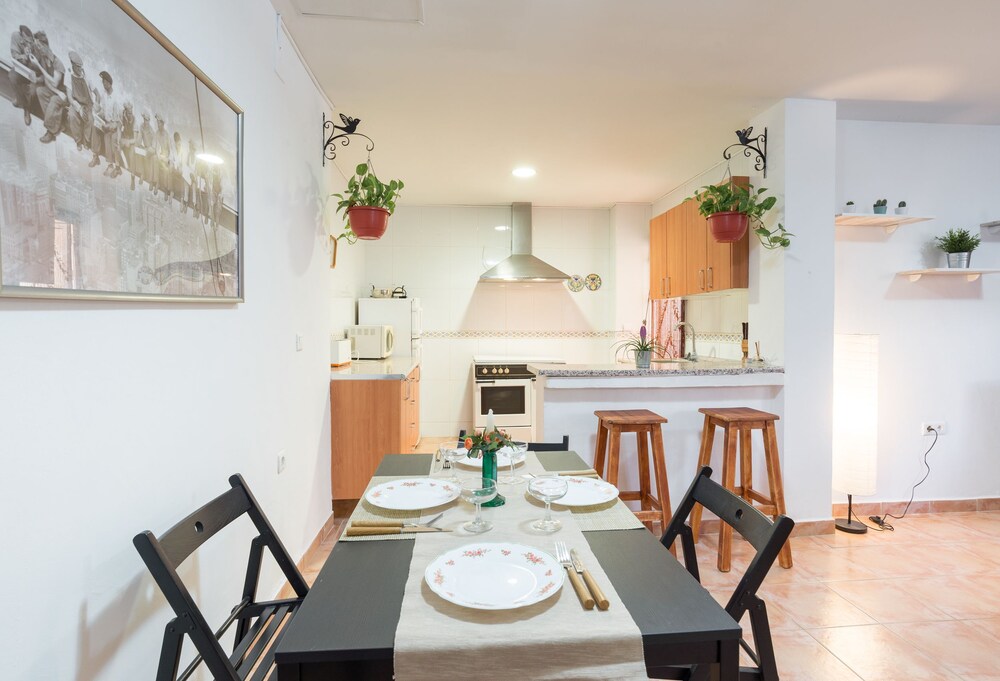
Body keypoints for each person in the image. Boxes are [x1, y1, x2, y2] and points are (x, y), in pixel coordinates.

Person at [28, 32, 67, 144]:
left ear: (45, 46)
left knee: (54, 100)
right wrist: (36, 79)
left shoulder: (58, 64)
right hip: (53, 90)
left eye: (39, 46)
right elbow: (45, 77)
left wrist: (38, 65)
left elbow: (54, 83)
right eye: (36, 46)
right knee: (40, 91)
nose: (38, 49)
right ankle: (57, 125)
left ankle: (51, 132)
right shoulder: (44, 59)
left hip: (61, 94)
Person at [90, 70, 122, 177]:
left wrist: (108, 126)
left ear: (109, 83)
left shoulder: (116, 98)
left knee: (108, 136)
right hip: (106, 122)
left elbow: (117, 122)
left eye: (104, 82)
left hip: (114, 126)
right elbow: (104, 111)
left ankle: (111, 165)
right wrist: (97, 115)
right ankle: (95, 156)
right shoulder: (104, 95)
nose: (103, 84)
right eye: (102, 82)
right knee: (95, 127)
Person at [66, 51, 94, 151]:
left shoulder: (85, 76)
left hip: (87, 104)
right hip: (75, 103)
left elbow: (94, 91)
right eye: (78, 67)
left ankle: (86, 141)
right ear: (73, 65)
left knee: (90, 119)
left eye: (80, 67)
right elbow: (70, 97)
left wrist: (96, 103)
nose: (80, 69)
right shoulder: (69, 76)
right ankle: (78, 141)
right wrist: (79, 108)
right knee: (72, 115)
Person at [8, 25, 34, 127]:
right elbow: (14, 55)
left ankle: (26, 107)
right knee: (12, 76)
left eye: (29, 41)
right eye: (26, 41)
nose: (28, 43)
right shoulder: (15, 36)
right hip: (21, 67)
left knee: (33, 87)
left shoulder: (34, 43)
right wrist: (24, 56)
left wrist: (31, 56)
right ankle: (24, 105)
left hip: (33, 70)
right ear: (21, 35)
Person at [153, 114, 170, 198]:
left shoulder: (167, 135)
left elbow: (170, 149)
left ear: (162, 124)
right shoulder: (157, 133)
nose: (158, 125)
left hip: (166, 156)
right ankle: (157, 183)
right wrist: (158, 154)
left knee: (165, 169)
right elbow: (156, 146)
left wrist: (166, 158)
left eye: (159, 123)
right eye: (157, 123)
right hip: (159, 155)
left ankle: (166, 189)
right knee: (155, 160)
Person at [119, 101, 136, 182]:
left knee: (132, 153)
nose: (130, 114)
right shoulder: (123, 116)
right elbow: (120, 129)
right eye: (129, 113)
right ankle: (121, 167)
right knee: (118, 146)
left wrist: (128, 141)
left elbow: (136, 139)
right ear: (125, 112)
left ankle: (132, 174)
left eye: (131, 112)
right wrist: (121, 139)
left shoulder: (134, 120)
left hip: (132, 141)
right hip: (124, 138)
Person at [137, 111, 154, 187]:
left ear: (149, 120)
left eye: (147, 120)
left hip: (151, 148)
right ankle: (141, 173)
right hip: (145, 148)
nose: (146, 121)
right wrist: (139, 145)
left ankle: (146, 176)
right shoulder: (141, 126)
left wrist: (149, 148)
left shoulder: (151, 130)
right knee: (138, 153)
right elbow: (139, 138)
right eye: (145, 119)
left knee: (146, 156)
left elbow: (154, 143)